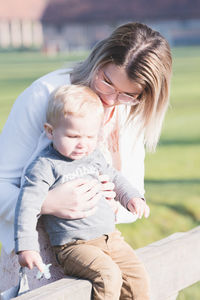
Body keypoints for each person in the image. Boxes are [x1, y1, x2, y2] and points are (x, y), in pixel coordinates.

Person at [0, 22, 172, 292]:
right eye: (106, 81)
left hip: (100, 248)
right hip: (39, 262)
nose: (111, 99)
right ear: (98, 60)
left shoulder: (132, 111)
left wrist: (113, 203)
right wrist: (46, 203)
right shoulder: (45, 95)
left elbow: (133, 192)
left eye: (128, 94)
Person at [15, 85, 150, 299]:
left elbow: (114, 177)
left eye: (90, 137)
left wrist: (132, 197)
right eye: (73, 136)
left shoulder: (93, 156)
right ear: (50, 131)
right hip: (74, 245)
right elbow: (27, 207)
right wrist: (26, 248)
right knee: (108, 276)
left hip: (110, 238)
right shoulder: (45, 165)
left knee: (137, 276)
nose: (82, 144)